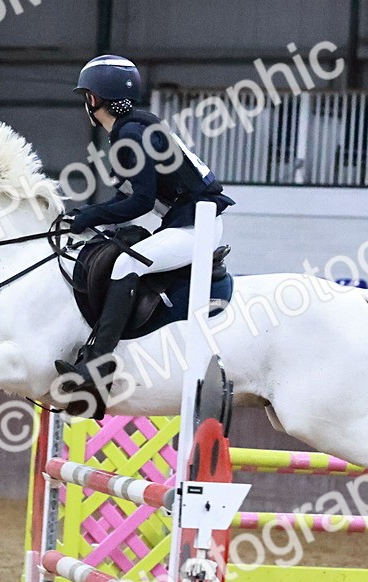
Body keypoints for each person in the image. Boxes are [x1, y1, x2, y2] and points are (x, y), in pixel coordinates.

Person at [56, 54, 234, 416]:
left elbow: (139, 202)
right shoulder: (134, 127)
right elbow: (128, 196)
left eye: (86, 96)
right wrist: (86, 218)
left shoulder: (129, 133)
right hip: (188, 220)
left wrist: (90, 214)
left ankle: (96, 368)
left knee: (124, 266)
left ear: (94, 99)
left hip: (195, 226)